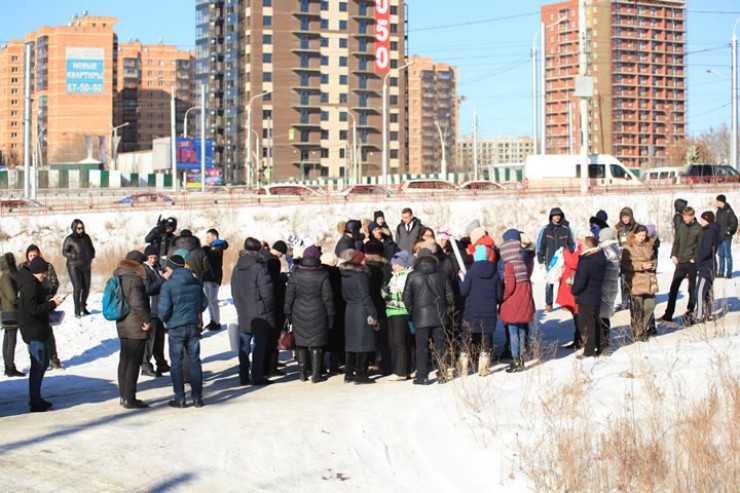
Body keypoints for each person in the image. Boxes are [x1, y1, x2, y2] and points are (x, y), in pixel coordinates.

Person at [158, 254, 208, 408]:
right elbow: (203, 303)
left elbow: (163, 310)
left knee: (177, 364)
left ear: (171, 267)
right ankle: (197, 398)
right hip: (193, 326)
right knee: (194, 362)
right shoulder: (196, 282)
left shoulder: (168, 285)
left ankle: (180, 398)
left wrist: (167, 320)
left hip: (176, 328)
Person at [18, 257, 64, 412]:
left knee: (43, 363)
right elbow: (32, 310)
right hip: (34, 331)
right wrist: (52, 304)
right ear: (39, 271)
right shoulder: (30, 286)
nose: (45, 274)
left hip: (38, 330)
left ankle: (37, 398)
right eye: (44, 271)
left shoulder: (33, 284)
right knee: (38, 365)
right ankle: (35, 401)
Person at [403, 248, 454, 385]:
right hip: (439, 315)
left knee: (421, 348)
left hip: (420, 317)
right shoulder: (441, 273)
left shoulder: (412, 275)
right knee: (441, 346)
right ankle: (442, 373)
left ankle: (422, 376)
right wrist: (447, 310)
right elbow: (450, 295)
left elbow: (406, 297)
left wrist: (413, 311)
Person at [284, 246, 334, 383]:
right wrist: (331, 314)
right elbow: (327, 297)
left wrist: (287, 312)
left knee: (301, 344)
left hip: (298, 311)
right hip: (318, 311)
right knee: (316, 344)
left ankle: (302, 373)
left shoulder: (295, 273)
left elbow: (289, 295)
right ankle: (316, 374)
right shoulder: (323, 274)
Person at [231, 237, 275, 386]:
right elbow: (267, 293)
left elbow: (233, 291)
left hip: (242, 310)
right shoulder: (259, 267)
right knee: (259, 345)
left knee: (244, 345)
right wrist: (269, 309)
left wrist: (239, 305)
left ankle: (243, 375)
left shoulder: (236, 268)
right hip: (259, 312)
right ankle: (256, 375)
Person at [114, 251, 152, 409]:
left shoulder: (118, 275)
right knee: (133, 362)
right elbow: (138, 303)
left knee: (124, 360)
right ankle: (130, 398)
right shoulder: (134, 279)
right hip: (135, 325)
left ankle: (123, 396)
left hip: (122, 323)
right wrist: (146, 320)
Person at [459, 245, 502, 376]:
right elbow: (499, 295)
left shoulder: (470, 273)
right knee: (486, 339)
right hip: (489, 311)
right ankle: (483, 368)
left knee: (467, 337)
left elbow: (463, 291)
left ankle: (463, 368)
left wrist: (461, 279)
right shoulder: (495, 273)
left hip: (472, 310)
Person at [18, 245, 62, 369]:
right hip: (32, 308)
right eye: (30, 256)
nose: (33, 258)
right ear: (27, 257)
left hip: (45, 302)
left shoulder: (46, 267)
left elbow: (54, 283)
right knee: (34, 337)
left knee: (48, 333)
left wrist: (49, 298)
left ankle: (53, 359)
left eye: (35, 255)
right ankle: (36, 360)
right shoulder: (23, 269)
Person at [339, 249, 378, 384]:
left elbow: (343, 295)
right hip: (361, 310)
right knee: (364, 342)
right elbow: (365, 296)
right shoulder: (360, 276)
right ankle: (361, 374)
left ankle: (349, 373)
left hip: (350, 310)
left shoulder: (345, 276)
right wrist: (373, 314)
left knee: (351, 343)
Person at [499, 231, 535, 373]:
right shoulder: (522, 264)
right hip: (524, 301)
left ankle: (515, 361)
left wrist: (502, 297)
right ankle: (521, 359)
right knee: (520, 331)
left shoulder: (509, 266)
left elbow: (509, 286)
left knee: (513, 332)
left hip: (513, 303)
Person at [661, 206, 702, 325]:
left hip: (691, 262)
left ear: (692, 216)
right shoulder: (681, 226)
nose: (685, 218)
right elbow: (676, 241)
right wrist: (673, 254)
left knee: (691, 289)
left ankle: (690, 313)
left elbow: (700, 245)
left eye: (687, 216)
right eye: (684, 216)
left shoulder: (698, 229)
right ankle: (668, 314)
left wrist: (694, 258)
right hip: (680, 262)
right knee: (673, 288)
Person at [621, 225, 658, 342]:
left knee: (650, 306)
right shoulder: (628, 246)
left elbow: (655, 259)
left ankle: (643, 327)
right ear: (635, 235)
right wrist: (640, 266)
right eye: (640, 235)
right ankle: (638, 333)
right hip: (636, 280)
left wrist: (653, 264)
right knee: (637, 308)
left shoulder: (649, 244)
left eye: (644, 235)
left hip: (649, 279)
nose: (642, 237)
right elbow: (624, 264)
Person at [571, 236, 606, 358]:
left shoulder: (587, 261)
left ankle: (589, 351)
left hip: (586, 296)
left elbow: (581, 281)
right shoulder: (600, 256)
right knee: (595, 322)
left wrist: (574, 290)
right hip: (596, 294)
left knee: (586, 325)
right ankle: (601, 346)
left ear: (587, 246)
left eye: (582, 245)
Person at [537, 207, 575, 312]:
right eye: (555, 215)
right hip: (551, 261)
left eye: (559, 215)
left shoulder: (566, 230)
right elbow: (541, 246)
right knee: (550, 283)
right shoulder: (546, 230)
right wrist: (541, 260)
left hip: (564, 261)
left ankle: (565, 303)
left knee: (564, 284)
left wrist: (570, 256)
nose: (557, 217)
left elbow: (572, 245)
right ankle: (548, 304)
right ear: (551, 217)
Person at [141, 245, 170, 377]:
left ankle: (161, 363)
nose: (153, 260)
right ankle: (145, 365)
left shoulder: (158, 267)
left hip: (159, 308)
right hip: (150, 309)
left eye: (154, 257)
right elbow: (149, 289)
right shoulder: (144, 270)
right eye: (150, 257)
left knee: (159, 339)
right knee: (150, 340)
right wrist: (163, 278)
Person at [384, 251, 413, 380]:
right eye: (392, 264)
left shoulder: (406, 276)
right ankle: (407, 369)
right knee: (395, 341)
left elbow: (404, 294)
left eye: (396, 264)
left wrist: (389, 294)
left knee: (399, 342)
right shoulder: (394, 276)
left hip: (400, 311)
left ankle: (401, 372)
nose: (393, 266)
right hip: (391, 311)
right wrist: (385, 293)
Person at [261, 240, 288, 377]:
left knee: (265, 340)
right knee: (273, 340)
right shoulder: (276, 282)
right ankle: (271, 367)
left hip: (262, 309)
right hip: (275, 311)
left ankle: (265, 365)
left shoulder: (261, 257)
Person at [62, 218, 95, 317]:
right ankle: (77, 310)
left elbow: (91, 248)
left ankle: (82, 306)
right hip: (74, 266)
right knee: (78, 288)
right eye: (79, 228)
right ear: (74, 228)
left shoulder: (86, 237)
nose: (81, 230)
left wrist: (91, 255)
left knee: (87, 288)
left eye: (82, 228)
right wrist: (73, 256)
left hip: (86, 265)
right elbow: (64, 251)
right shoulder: (70, 239)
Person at [321, 251, 346, 375]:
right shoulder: (337, 274)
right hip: (337, 308)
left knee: (322, 338)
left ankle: (319, 365)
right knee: (336, 338)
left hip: (321, 309)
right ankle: (334, 364)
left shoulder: (319, 273)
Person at [597, 228, 620, 352]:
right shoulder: (614, 247)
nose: (599, 238)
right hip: (611, 286)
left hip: (605, 285)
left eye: (601, 236)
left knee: (602, 315)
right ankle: (603, 342)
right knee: (604, 314)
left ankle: (604, 344)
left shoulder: (607, 249)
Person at [695, 211, 721, 323]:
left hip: (706, 265)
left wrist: (697, 259)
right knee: (708, 291)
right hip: (711, 264)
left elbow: (706, 250)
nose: (700, 221)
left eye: (702, 219)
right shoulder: (712, 230)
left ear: (707, 220)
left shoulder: (709, 232)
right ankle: (707, 313)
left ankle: (699, 315)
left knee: (700, 291)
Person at [1, 253, 23, 377]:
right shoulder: (7, 276)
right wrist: (20, 301)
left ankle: (8, 366)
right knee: (11, 340)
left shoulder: (3, 276)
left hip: (5, 311)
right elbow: (11, 296)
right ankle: (10, 367)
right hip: (11, 311)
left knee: (7, 339)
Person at [202, 228, 229, 331]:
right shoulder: (210, 248)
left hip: (214, 277)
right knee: (208, 300)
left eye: (208, 237)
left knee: (213, 300)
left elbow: (215, 253)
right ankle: (212, 320)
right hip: (207, 276)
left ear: (214, 237)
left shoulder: (218, 247)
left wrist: (206, 251)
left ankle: (216, 322)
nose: (206, 239)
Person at [615, 207, 639, 311]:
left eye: (627, 217)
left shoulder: (637, 227)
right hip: (623, 258)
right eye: (623, 217)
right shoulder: (618, 229)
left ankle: (634, 301)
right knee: (624, 281)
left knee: (634, 280)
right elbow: (616, 242)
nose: (625, 219)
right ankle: (625, 303)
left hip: (634, 258)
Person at [715, 194, 737, 279]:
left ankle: (729, 272)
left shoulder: (729, 211)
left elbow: (734, 222)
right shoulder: (718, 212)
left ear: (722, 201)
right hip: (719, 237)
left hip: (726, 237)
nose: (716, 203)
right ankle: (721, 272)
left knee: (727, 254)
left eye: (717, 201)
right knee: (720, 255)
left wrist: (729, 231)